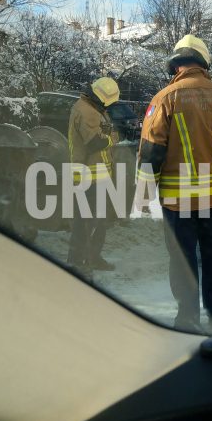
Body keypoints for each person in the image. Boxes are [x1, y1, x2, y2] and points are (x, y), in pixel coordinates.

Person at [137, 35, 212, 333]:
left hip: (176, 201)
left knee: (183, 261)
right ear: (203, 63)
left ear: (177, 65)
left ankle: (187, 318)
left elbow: (151, 150)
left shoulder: (164, 98)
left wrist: (143, 194)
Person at [67, 77, 120, 277]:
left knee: (99, 221)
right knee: (84, 222)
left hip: (98, 175)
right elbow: (94, 142)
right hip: (88, 175)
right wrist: (113, 138)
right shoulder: (86, 111)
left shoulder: (93, 108)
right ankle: (75, 262)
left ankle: (92, 257)